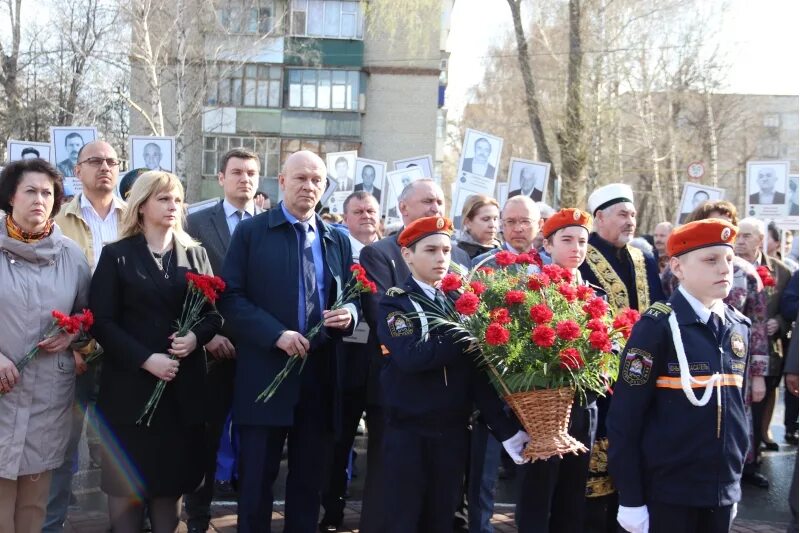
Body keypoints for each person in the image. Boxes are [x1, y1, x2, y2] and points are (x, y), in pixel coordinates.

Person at [218, 150, 358, 533]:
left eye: (317, 180)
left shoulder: (336, 239)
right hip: (265, 374)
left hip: (319, 374)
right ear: (281, 182)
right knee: (256, 481)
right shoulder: (252, 232)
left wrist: (349, 313)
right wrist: (275, 334)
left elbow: (351, 294)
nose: (309, 186)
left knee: (308, 481)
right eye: (301, 178)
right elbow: (230, 297)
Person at [376, 215, 528, 533]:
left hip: (453, 433)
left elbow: (478, 376)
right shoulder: (395, 304)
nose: (441, 258)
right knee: (403, 520)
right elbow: (411, 357)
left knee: (442, 519)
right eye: (431, 250)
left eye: (446, 250)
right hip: (409, 434)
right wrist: (465, 334)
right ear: (408, 255)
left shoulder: (458, 302)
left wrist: (507, 431)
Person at [90, 171, 222, 532]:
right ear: (142, 205)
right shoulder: (116, 255)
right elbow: (102, 322)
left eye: (178, 199)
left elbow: (213, 316)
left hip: (181, 396)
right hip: (130, 395)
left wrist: (195, 338)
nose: (173, 206)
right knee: (126, 500)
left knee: (169, 498)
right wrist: (146, 360)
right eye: (164, 199)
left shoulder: (195, 255)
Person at [607, 218, 750, 533]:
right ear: (678, 267)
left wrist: (732, 481)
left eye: (728, 259)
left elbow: (738, 409)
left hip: (720, 489)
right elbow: (625, 420)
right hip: (669, 493)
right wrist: (631, 498)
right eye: (710, 260)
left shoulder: (738, 327)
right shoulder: (656, 327)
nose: (724, 269)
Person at [358, 178, 470, 532]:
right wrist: (464, 334)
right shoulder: (384, 260)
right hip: (407, 410)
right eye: (427, 201)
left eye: (440, 200)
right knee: (401, 509)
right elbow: (408, 350)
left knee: (442, 510)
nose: (441, 259)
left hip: (451, 419)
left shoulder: (456, 284)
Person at [0, 159, 91, 533]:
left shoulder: (71, 256)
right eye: (31, 191)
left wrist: (73, 335)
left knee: (34, 507)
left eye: (48, 193)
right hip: (4, 392)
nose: (40, 199)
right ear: (10, 196)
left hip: (47, 394)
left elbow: (88, 317)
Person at [44, 141, 127, 533]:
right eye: (95, 161)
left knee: (120, 446)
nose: (105, 168)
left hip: (125, 353)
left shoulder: (136, 217)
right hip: (71, 352)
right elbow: (46, 289)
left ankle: (123, 524)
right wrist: (74, 346)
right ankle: (52, 524)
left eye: (112, 161)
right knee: (61, 449)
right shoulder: (57, 218)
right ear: (77, 170)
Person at [660, 200, 770, 488]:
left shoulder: (747, 274)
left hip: (733, 363)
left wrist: (757, 374)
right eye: (713, 221)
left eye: (728, 223)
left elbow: (756, 324)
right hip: (686, 362)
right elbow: (665, 311)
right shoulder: (679, 269)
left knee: (734, 422)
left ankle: (735, 474)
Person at [183, 148, 262, 533]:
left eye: (251, 172)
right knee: (206, 437)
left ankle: (249, 517)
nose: (244, 179)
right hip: (210, 351)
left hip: (258, 352)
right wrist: (205, 335)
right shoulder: (195, 222)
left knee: (255, 440)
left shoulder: (271, 224)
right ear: (221, 178)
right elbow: (182, 285)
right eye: (236, 172)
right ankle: (197, 517)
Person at [580, 183, 664, 533]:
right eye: (622, 214)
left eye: (633, 214)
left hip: (645, 370)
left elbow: (659, 306)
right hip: (603, 374)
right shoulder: (584, 257)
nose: (631, 221)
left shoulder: (643, 257)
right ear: (600, 218)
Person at [514, 208, 598, 533]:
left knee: (572, 497)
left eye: (582, 241)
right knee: (538, 496)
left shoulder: (592, 291)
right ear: (547, 244)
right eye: (566, 240)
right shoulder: (533, 289)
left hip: (583, 405)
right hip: (544, 407)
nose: (576, 248)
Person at [469, 195, 544, 533]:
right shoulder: (485, 266)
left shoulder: (551, 266)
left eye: (524, 221)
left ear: (539, 225)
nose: (517, 228)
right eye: (510, 221)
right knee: (483, 473)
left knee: (535, 473)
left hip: (540, 386)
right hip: (494, 382)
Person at [319, 191, 381, 532]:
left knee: (382, 442)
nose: (366, 216)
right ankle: (332, 510)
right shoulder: (338, 255)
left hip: (382, 365)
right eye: (358, 211)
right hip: (345, 361)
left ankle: (377, 512)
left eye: (371, 210)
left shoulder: (392, 255)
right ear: (346, 218)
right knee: (339, 441)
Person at [735, 217, 792, 457]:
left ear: (761, 240)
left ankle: (755, 455)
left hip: (766, 350)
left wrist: (777, 322)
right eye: (738, 235)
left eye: (747, 236)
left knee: (760, 401)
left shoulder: (782, 271)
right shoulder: (726, 265)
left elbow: (789, 309)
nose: (740, 241)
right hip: (733, 349)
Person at [457, 194, 501, 259]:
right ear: (468, 222)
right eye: (486, 219)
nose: (492, 225)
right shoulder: (456, 254)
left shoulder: (505, 252)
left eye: (495, 219)